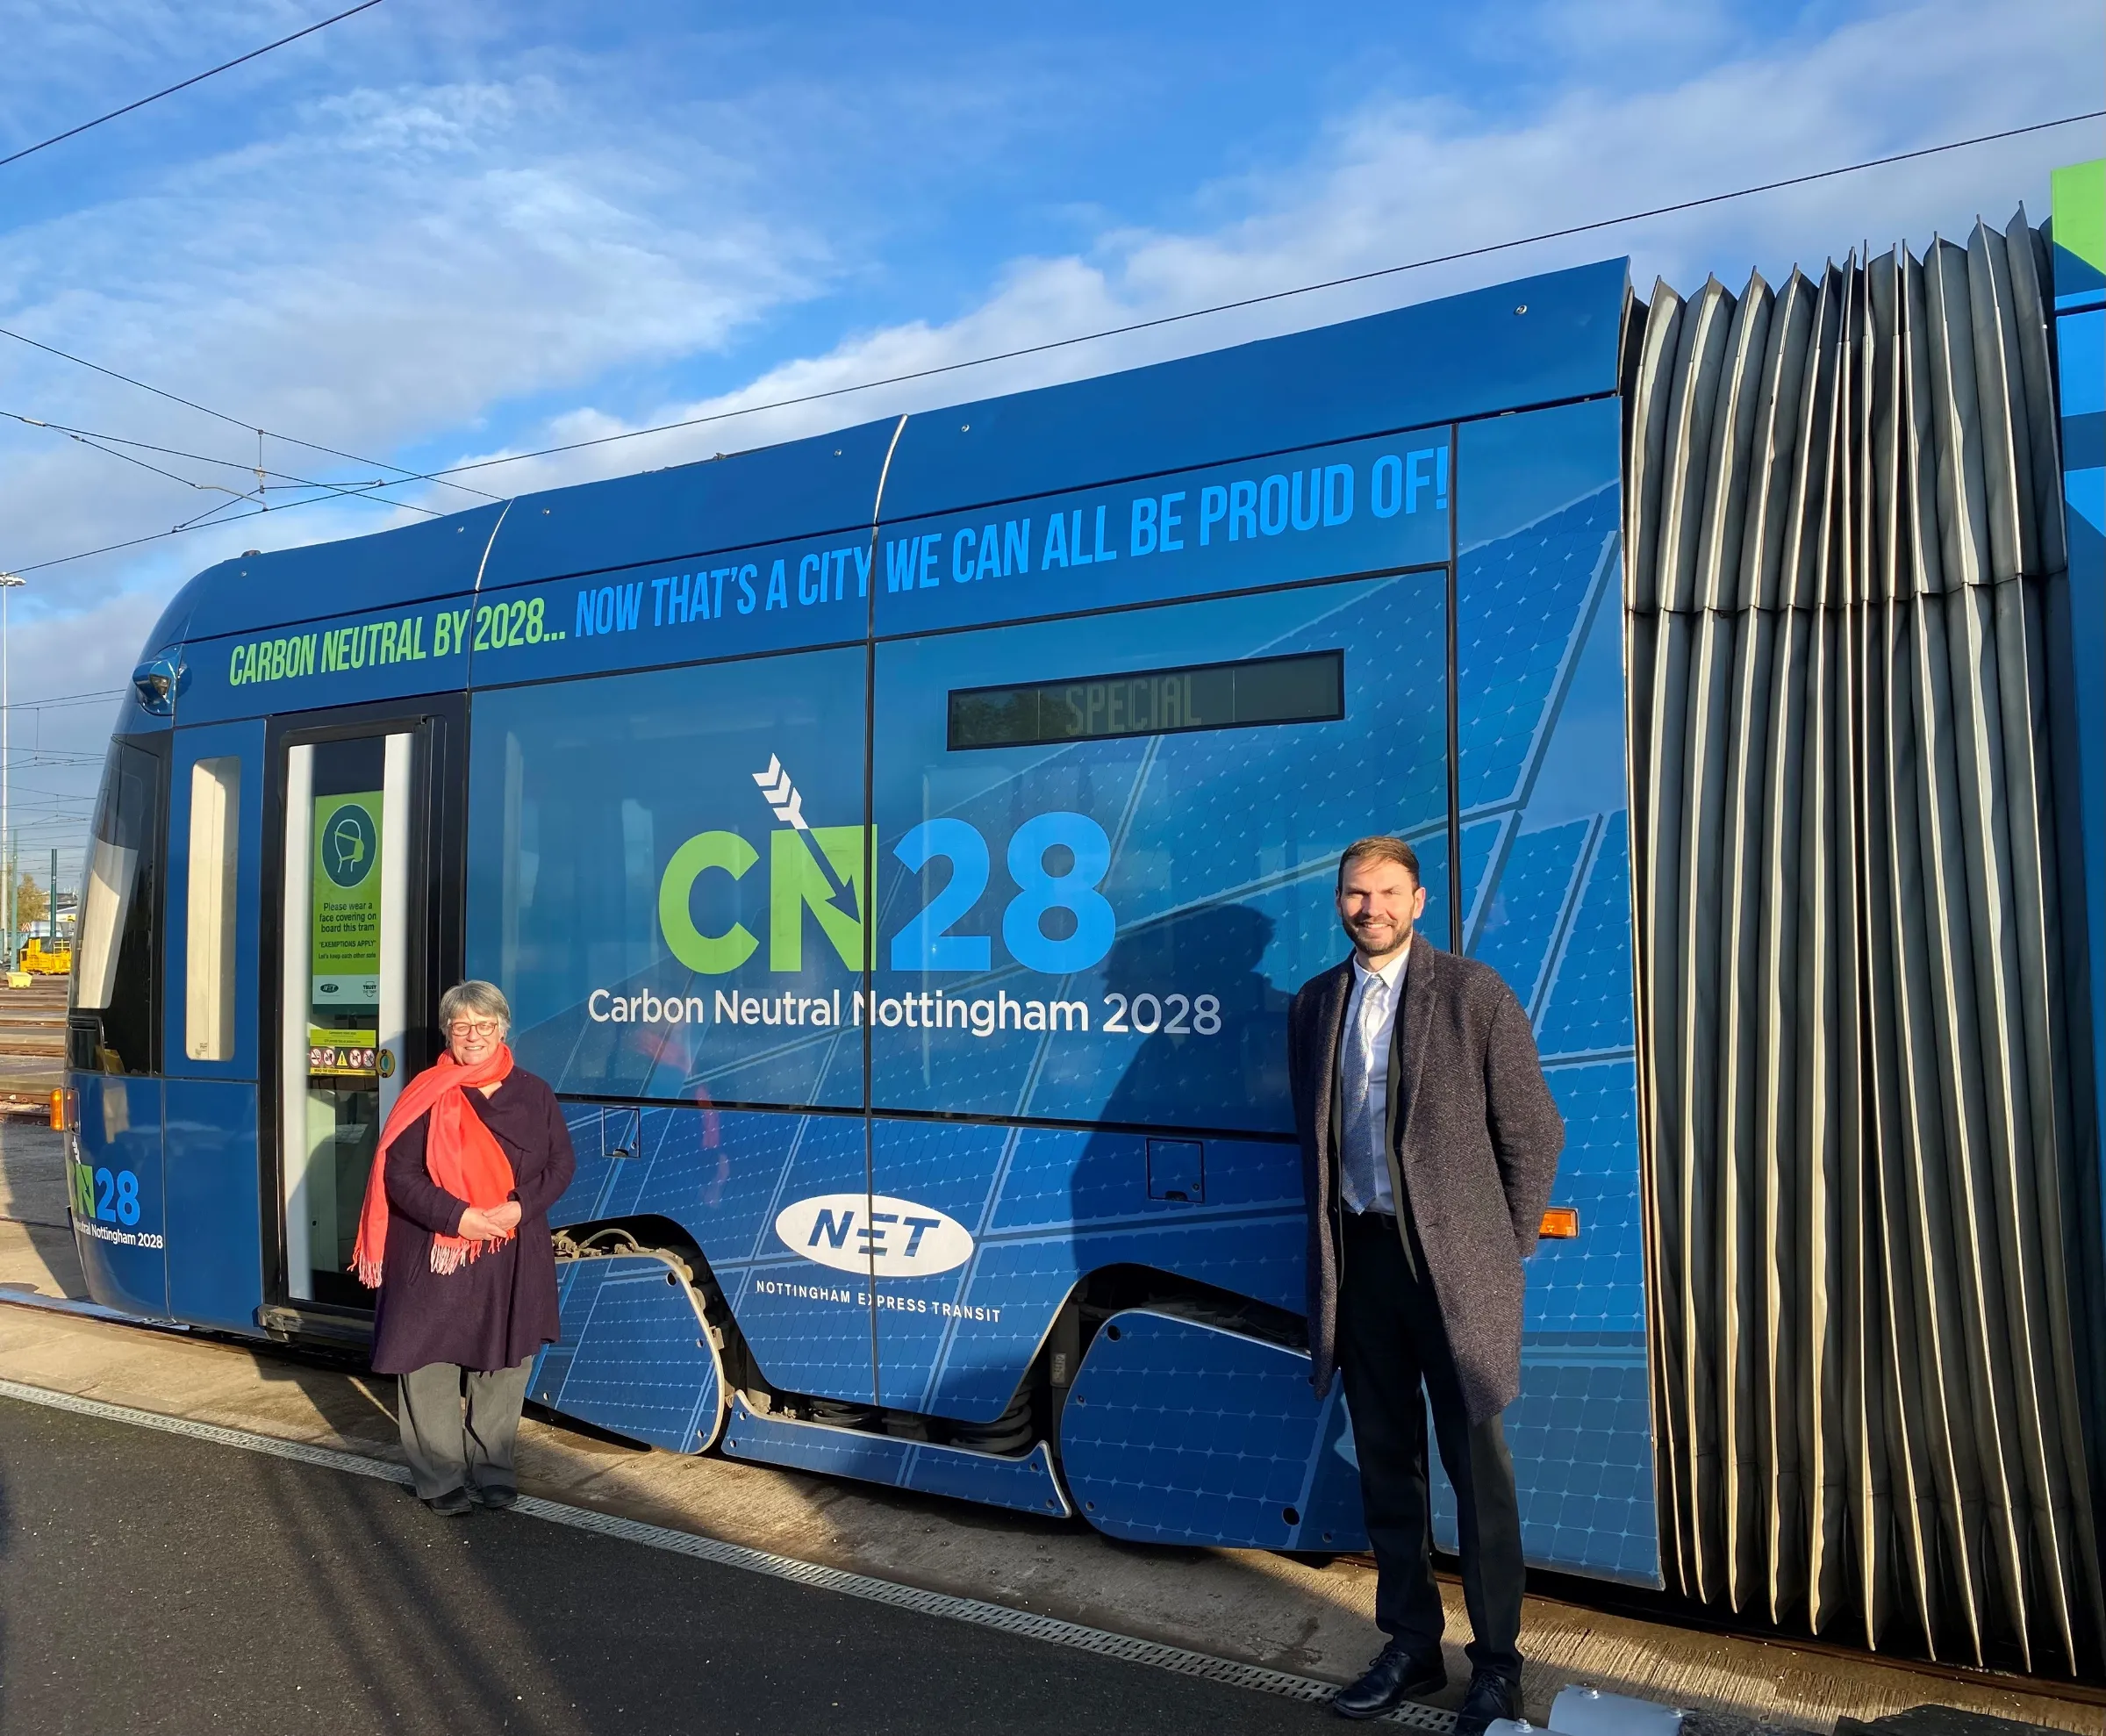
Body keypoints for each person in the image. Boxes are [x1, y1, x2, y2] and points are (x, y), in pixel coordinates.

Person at [1287, 837, 1563, 1731]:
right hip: (1360, 1264)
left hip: (1453, 1273)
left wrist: (1498, 1247)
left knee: (1479, 1477)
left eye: (1386, 893)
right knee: (1387, 1468)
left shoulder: (1472, 994)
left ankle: (1497, 1670)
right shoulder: (1317, 1003)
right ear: (1340, 901)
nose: (1369, 907)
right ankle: (1409, 1646)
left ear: (1420, 900)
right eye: (1354, 893)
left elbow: (1533, 1131)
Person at [353, 980, 577, 1516]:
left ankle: (493, 1468)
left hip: (511, 1245)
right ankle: (440, 1477)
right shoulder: (426, 1093)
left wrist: (520, 1208)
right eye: (462, 1025)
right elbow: (399, 1176)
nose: (474, 1034)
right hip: (436, 1248)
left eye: (484, 1024)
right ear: (448, 1033)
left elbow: (560, 1165)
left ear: (503, 1027)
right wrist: (461, 1217)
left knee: (505, 1358)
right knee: (429, 1362)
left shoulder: (535, 1092)